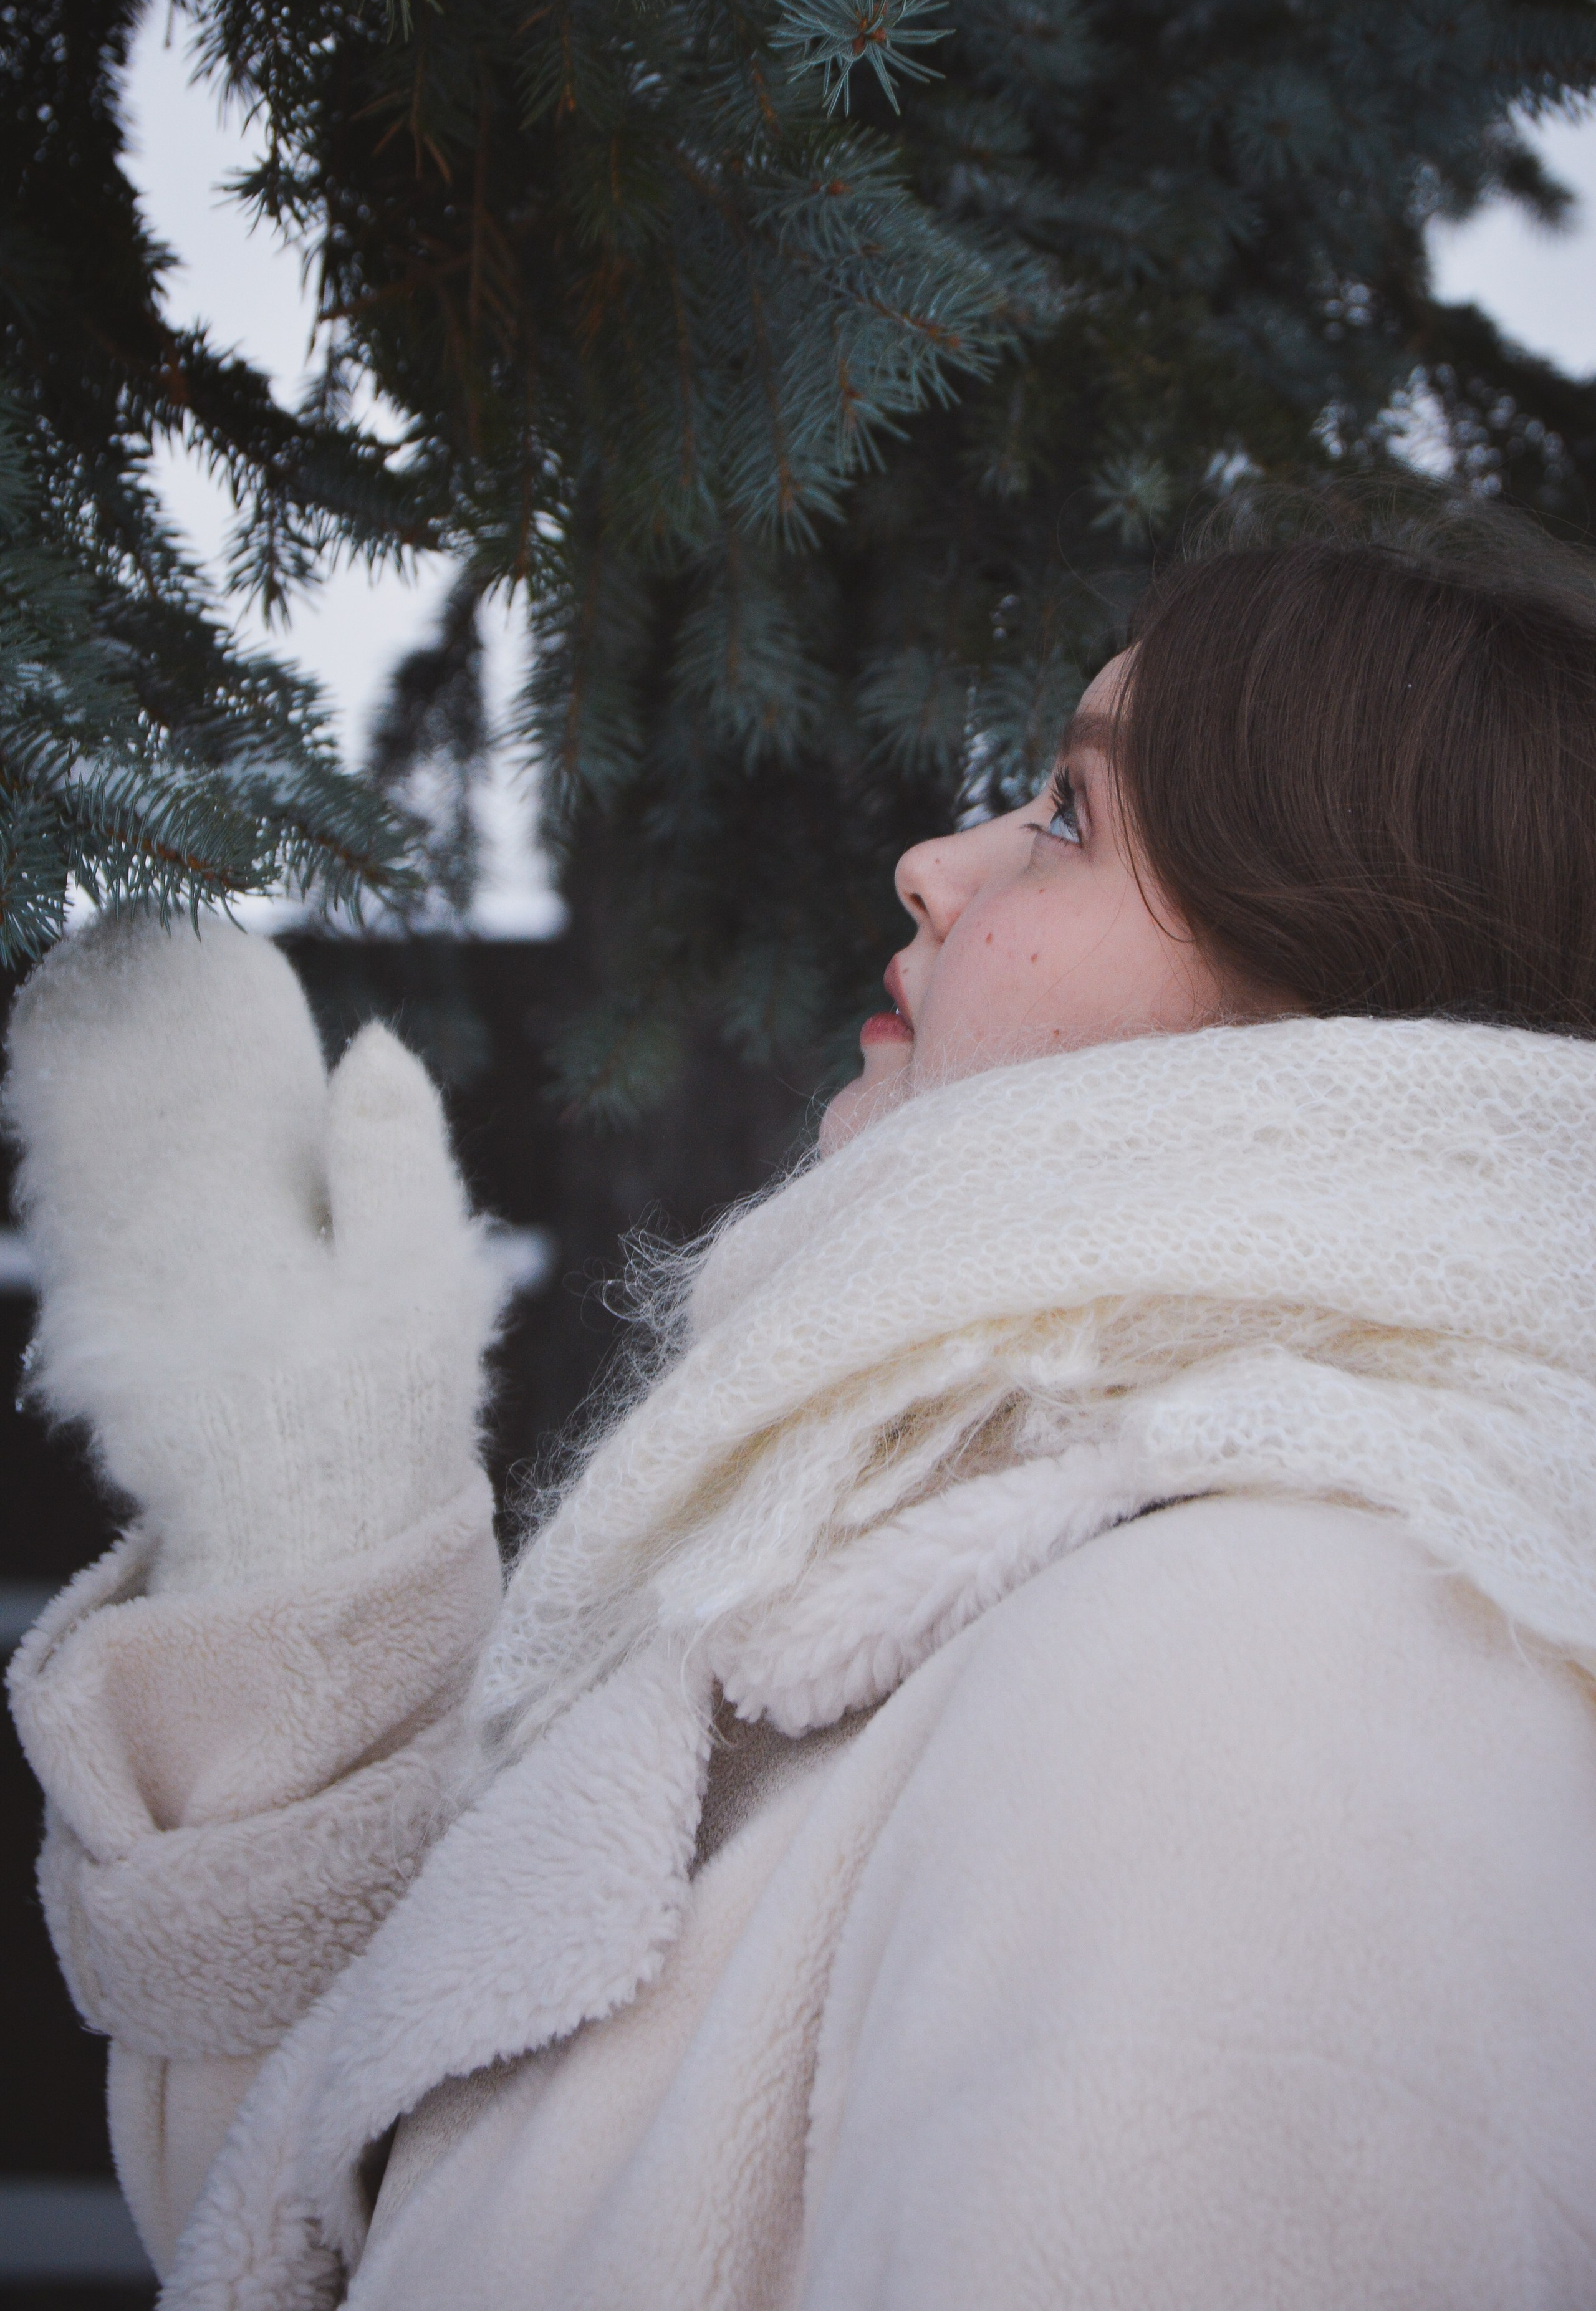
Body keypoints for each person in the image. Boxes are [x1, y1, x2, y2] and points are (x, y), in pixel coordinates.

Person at [8, 500, 1596, 2311]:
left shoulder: (1269, 1671)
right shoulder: (976, 1605)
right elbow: (365, 2243)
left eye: (1070, 816)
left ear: (1334, 1018)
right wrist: (299, 1537)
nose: (934, 861)